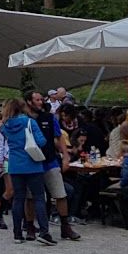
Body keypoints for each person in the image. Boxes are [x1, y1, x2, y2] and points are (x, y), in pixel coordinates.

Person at [27, 89, 81, 241]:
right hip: (32, 162)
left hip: (50, 160)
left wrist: (65, 157)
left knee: (60, 194)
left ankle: (65, 226)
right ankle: (30, 226)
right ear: (29, 102)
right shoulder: (25, 119)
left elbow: (59, 137)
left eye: (41, 99)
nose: (40, 102)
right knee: (30, 197)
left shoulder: (49, 118)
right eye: (37, 100)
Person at [1, 97, 56, 246]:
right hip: (32, 164)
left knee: (18, 199)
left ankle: (17, 233)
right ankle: (44, 232)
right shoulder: (29, 122)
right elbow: (41, 141)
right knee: (39, 197)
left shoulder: (5, 125)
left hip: (15, 165)